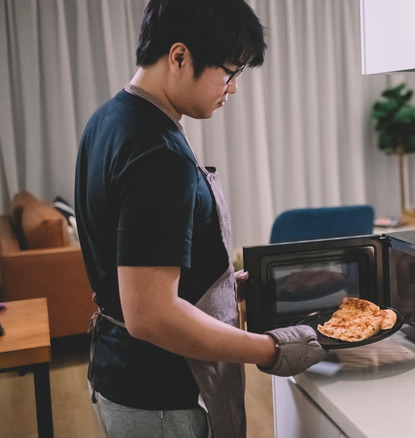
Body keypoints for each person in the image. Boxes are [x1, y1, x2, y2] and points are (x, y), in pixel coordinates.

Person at [74, 1, 328, 436]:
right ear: (179, 56)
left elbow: (136, 263)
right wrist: (269, 349)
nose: (233, 89)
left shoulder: (109, 120)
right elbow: (151, 314)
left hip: (120, 374)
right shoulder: (158, 153)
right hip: (163, 395)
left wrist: (218, 290)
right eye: (229, 72)